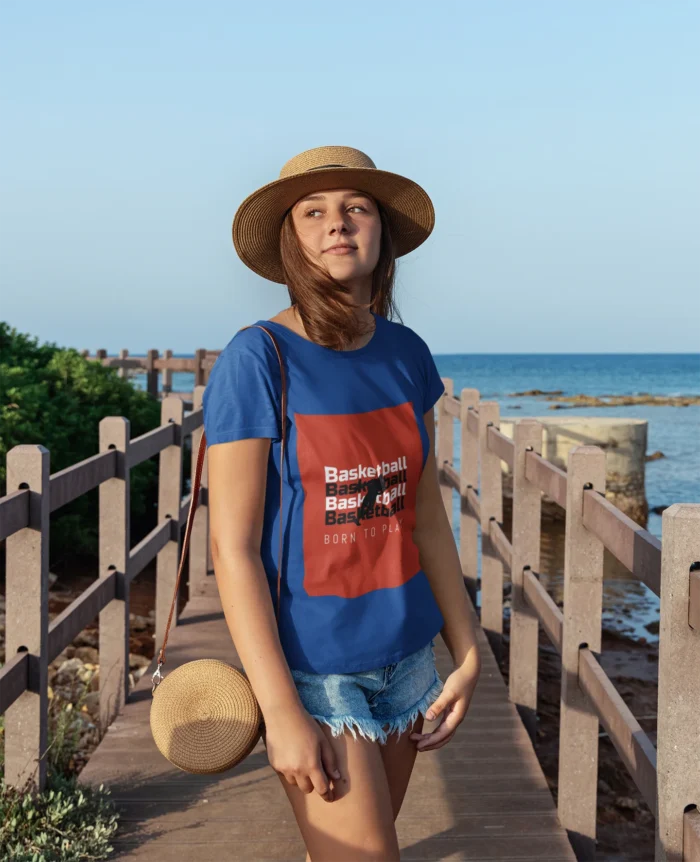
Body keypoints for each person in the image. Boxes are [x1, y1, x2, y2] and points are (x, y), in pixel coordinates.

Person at [203, 146, 481, 861]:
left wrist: (467, 648)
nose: (338, 224)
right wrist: (281, 710)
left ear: (382, 230)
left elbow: (423, 517)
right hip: (316, 671)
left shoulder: (406, 353)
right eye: (314, 211)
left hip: (408, 660)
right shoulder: (257, 358)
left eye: (356, 207)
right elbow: (230, 549)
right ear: (291, 238)